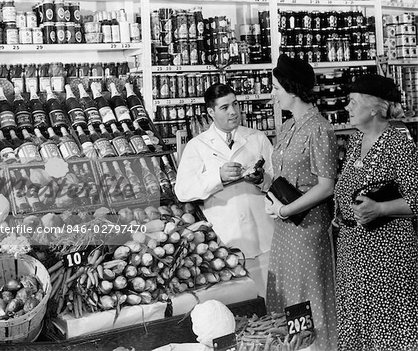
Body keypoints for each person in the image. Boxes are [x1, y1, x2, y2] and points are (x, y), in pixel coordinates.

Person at [334, 74, 418, 351]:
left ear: (373, 107)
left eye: (352, 102)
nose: (347, 107)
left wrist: (380, 208)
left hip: (386, 256)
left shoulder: (398, 141)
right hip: (353, 253)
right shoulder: (357, 140)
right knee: (358, 324)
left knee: (388, 326)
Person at [264, 54, 338, 351]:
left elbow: (326, 186)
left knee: (308, 296)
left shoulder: (319, 128)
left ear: (291, 89)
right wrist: (263, 183)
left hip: (308, 231)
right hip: (284, 231)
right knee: (288, 296)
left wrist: (284, 209)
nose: (273, 93)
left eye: (276, 88)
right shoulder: (286, 127)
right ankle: (294, 347)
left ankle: (316, 347)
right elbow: (284, 178)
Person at [175, 83, 275, 296]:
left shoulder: (257, 139)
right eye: (225, 107)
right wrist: (217, 177)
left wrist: (261, 179)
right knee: (242, 305)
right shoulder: (197, 146)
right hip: (226, 243)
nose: (233, 112)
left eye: (236, 104)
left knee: (273, 299)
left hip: (264, 235)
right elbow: (183, 190)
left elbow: (277, 180)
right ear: (211, 112)